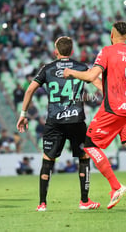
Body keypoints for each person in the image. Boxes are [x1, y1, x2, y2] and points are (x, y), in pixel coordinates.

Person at [64, 21, 126, 209]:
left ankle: (116, 187)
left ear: (112, 35)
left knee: (88, 144)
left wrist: (71, 72)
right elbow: (111, 84)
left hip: (113, 109)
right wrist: (93, 79)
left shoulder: (107, 51)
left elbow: (89, 76)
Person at [17, 36, 101, 212]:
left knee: (48, 160)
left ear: (56, 51)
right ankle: (84, 201)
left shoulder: (47, 69)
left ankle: (42, 203)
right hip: (76, 120)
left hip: (54, 121)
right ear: (71, 51)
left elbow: (30, 89)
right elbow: (99, 85)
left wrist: (23, 114)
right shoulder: (80, 67)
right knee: (83, 157)